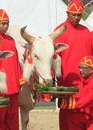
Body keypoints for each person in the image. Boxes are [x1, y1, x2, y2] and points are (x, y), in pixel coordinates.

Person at [54, 0, 93, 130]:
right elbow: (52, 59)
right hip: (67, 84)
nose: (76, 18)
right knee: (68, 119)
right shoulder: (59, 32)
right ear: (67, 13)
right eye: (73, 14)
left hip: (87, 85)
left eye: (79, 15)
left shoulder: (87, 32)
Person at [66, 56, 93, 130]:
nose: (80, 70)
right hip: (89, 116)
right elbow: (79, 97)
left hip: (91, 119)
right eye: (80, 67)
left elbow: (85, 101)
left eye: (84, 68)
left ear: (91, 70)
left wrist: (71, 104)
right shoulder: (85, 82)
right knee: (72, 117)